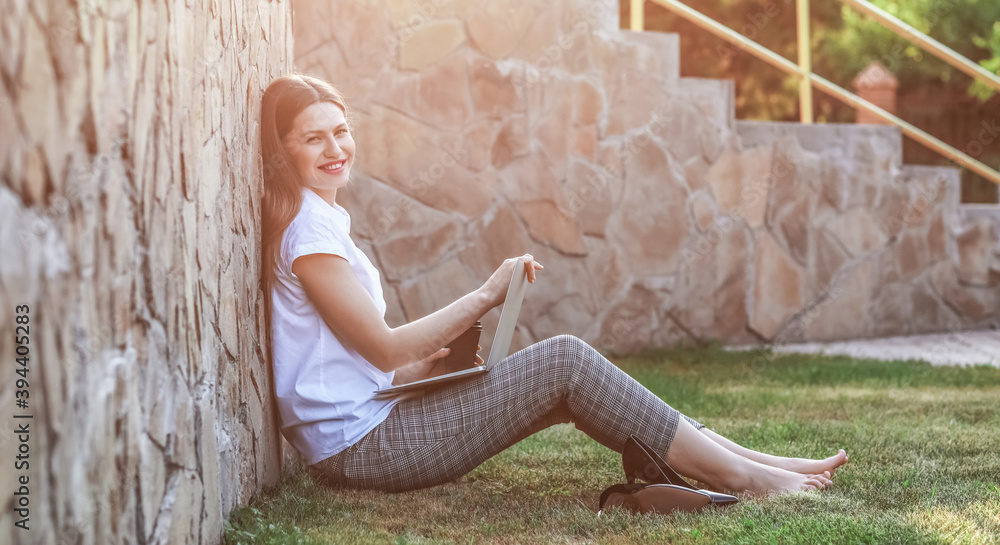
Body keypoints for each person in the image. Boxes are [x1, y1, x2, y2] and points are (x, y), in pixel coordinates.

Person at [259, 74, 848, 496]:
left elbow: (347, 363)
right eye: (314, 139)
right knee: (564, 360)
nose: (336, 149)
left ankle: (755, 461)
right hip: (362, 450)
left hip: (372, 421)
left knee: (574, 381)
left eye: (340, 131)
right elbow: (382, 347)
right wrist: (486, 295)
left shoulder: (322, 220)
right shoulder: (310, 235)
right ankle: (743, 476)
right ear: (284, 152)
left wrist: (424, 371)